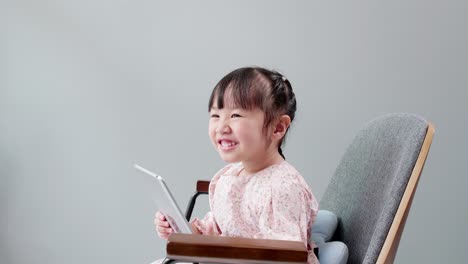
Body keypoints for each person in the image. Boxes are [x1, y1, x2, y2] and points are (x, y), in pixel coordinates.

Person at [153, 66, 319, 264]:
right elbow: (217, 227)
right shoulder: (229, 176)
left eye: (236, 116)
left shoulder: (281, 188)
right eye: (215, 116)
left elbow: (286, 256)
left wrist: (222, 252)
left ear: (278, 127)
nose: (221, 127)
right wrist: (183, 230)